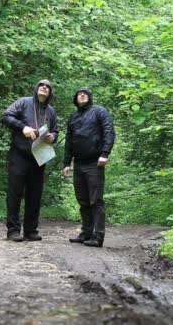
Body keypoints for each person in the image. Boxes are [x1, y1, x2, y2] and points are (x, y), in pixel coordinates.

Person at [1, 79, 58, 242]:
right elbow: (5, 116)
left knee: (35, 195)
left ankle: (31, 230)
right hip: (19, 154)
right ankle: (13, 231)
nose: (44, 88)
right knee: (15, 193)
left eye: (47, 87)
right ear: (36, 89)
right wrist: (22, 127)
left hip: (39, 156)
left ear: (49, 92)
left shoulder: (51, 111)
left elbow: (55, 130)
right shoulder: (23, 102)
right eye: (42, 85)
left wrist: (52, 136)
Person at [62, 87, 115, 247]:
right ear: (76, 98)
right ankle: (86, 233)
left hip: (95, 163)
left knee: (96, 200)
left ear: (90, 97)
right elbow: (69, 140)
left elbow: (109, 131)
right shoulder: (73, 116)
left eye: (85, 93)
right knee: (83, 201)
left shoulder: (99, 111)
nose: (82, 95)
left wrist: (105, 153)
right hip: (78, 164)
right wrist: (66, 163)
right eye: (79, 93)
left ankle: (98, 236)